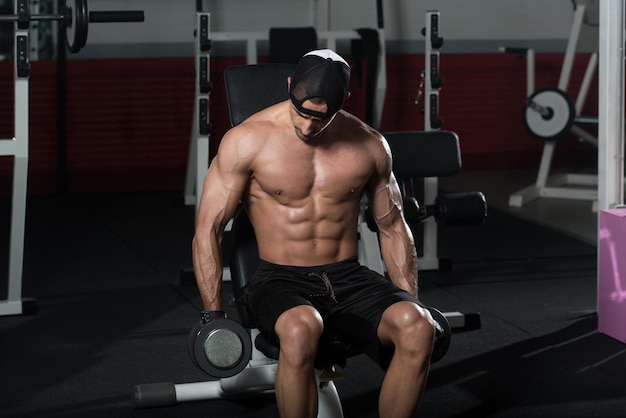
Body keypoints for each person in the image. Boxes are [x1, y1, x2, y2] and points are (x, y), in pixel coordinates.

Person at [192, 49, 436, 418]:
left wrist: (411, 299)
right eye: (301, 112)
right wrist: (213, 315)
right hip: (277, 278)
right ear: (289, 87)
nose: (307, 128)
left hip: (348, 276)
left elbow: (392, 228)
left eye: (320, 118)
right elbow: (207, 230)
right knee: (301, 327)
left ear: (344, 103)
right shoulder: (246, 141)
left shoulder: (369, 145)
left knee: (419, 327)